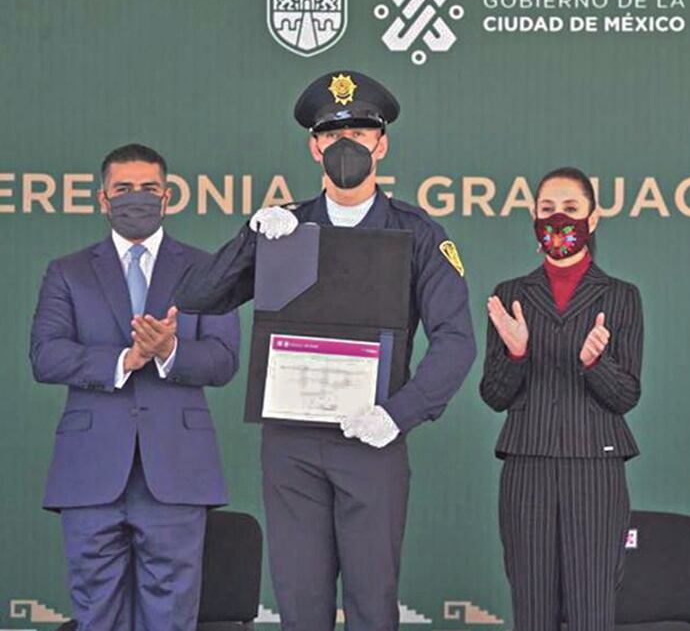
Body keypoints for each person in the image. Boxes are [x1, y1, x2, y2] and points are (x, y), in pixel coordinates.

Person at [174, 70, 476, 631]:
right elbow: (197, 297)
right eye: (333, 137)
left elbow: (456, 341)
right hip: (290, 444)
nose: (347, 148)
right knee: (300, 605)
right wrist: (251, 239)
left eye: (360, 135)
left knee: (371, 602)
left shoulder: (419, 233)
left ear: (381, 144)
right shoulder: (285, 225)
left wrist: (398, 414)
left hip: (371, 438)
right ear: (314, 146)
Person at [29, 143, 240, 630]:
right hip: (90, 472)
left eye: (148, 189)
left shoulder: (206, 270)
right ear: (102, 199)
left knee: (171, 614)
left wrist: (169, 351)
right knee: (95, 611)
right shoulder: (68, 271)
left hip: (177, 471)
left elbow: (224, 360)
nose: (136, 198)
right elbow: (45, 354)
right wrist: (127, 358)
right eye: (123, 189)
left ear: (167, 196)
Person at [480, 166, 643, 631]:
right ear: (533, 216)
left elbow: (626, 394)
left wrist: (595, 362)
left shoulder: (621, 296)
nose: (559, 219)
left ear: (593, 218)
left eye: (571, 209)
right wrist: (515, 352)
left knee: (592, 607)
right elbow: (493, 395)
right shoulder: (509, 295)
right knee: (531, 609)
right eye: (548, 209)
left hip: (595, 464)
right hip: (526, 464)